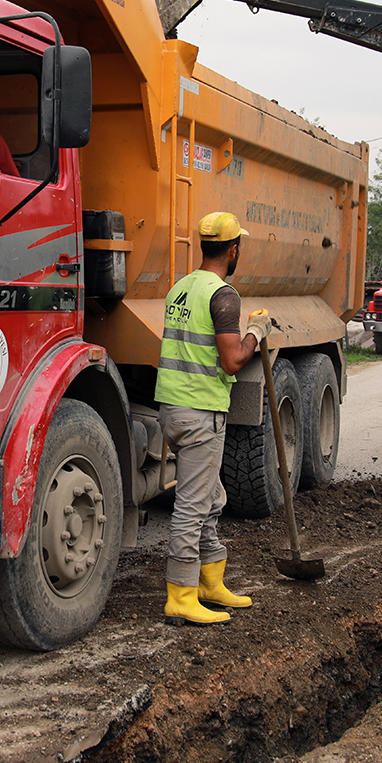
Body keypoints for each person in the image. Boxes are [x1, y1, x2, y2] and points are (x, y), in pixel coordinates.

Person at [154, 211, 271, 626]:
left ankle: (210, 580)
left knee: (210, 496)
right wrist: (257, 332)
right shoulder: (223, 295)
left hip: (172, 409)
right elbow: (232, 361)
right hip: (202, 412)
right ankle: (182, 595)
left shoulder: (180, 289)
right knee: (192, 505)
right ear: (233, 249)